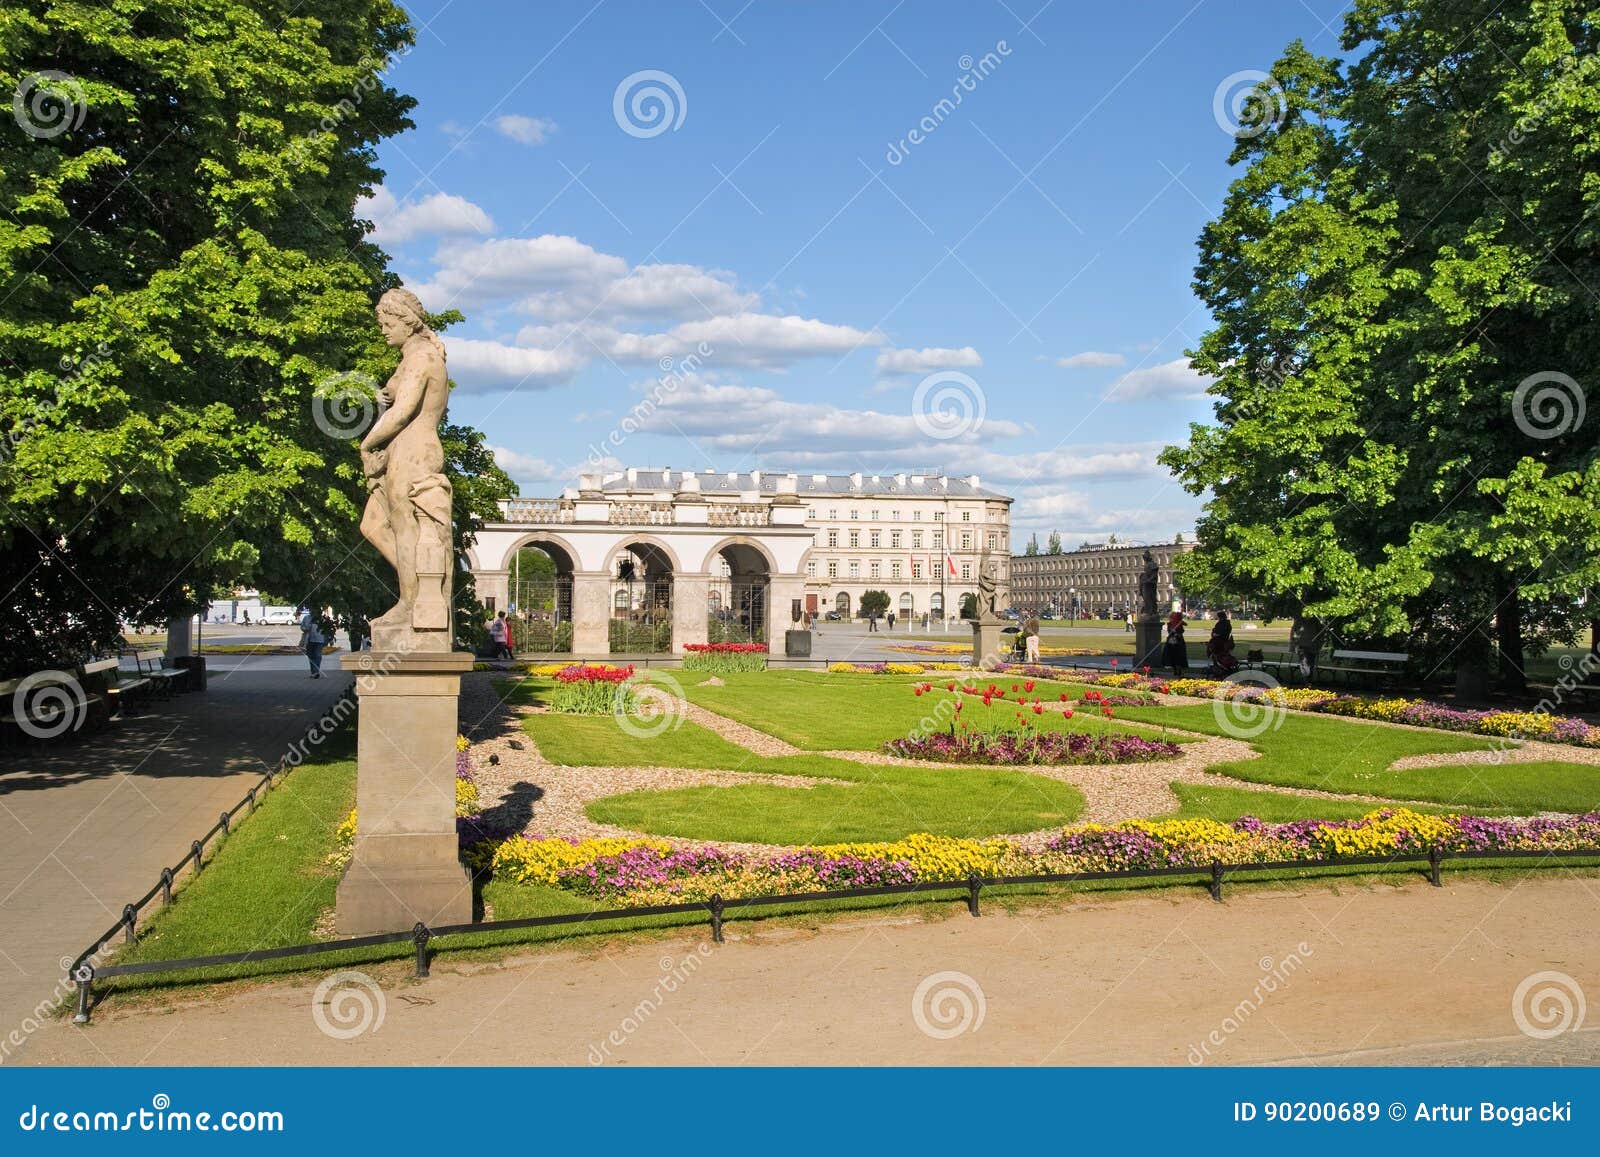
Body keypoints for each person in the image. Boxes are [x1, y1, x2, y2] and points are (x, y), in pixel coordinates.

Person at [1206, 611, 1239, 677]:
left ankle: (1218, 669)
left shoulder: (1222, 623)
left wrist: (1214, 634)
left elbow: (1217, 632)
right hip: (1223, 641)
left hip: (1219, 642)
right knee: (1218, 655)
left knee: (1216, 655)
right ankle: (1219, 668)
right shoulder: (1226, 623)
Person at [299, 606, 325, 679]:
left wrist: (327, 639)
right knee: (310, 656)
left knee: (317, 655)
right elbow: (302, 626)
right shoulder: (306, 618)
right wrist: (305, 629)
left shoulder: (322, 619)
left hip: (319, 639)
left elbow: (326, 629)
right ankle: (313, 672)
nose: (312, 610)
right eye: (311, 609)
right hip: (309, 640)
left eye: (314, 609)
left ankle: (316, 672)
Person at [1162, 611, 1187, 676]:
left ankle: (1180, 670)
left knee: (1179, 656)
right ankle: (1175, 669)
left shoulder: (1179, 623)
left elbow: (1182, 630)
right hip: (1171, 642)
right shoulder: (1170, 624)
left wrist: (1177, 633)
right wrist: (1172, 631)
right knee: (1172, 656)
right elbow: (1169, 631)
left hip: (1178, 642)